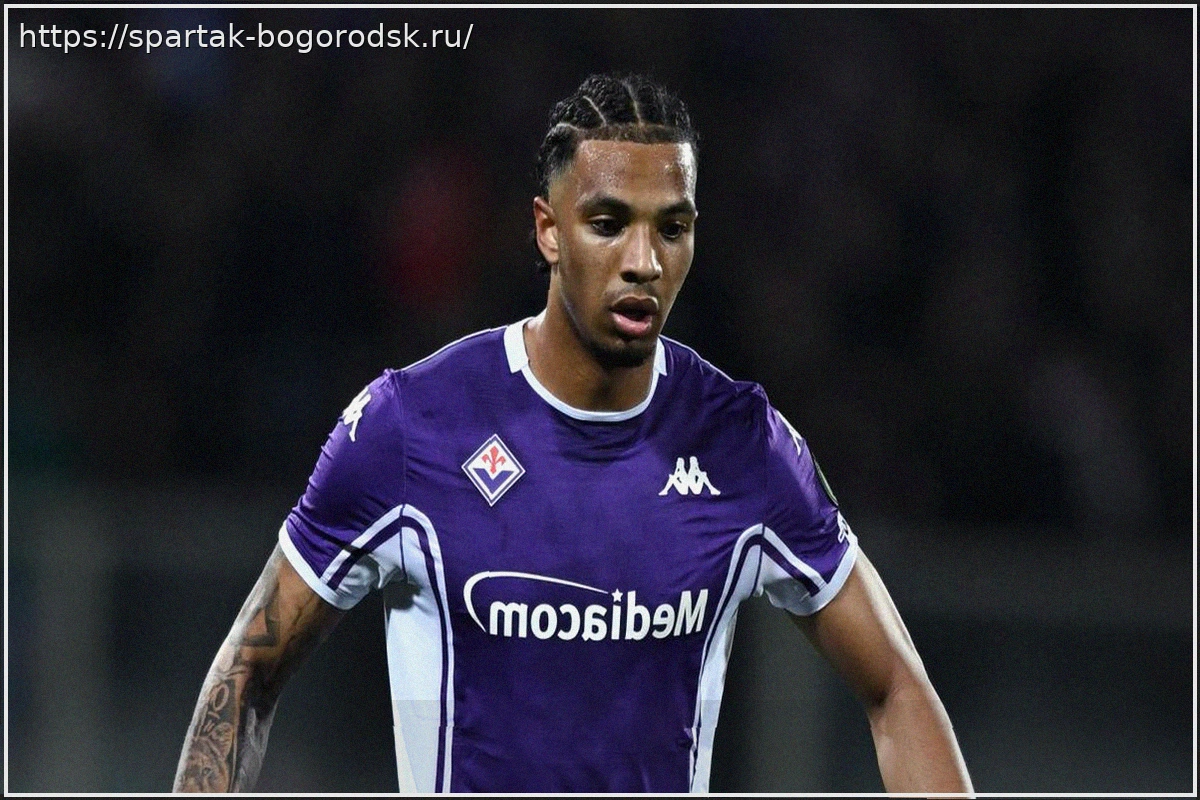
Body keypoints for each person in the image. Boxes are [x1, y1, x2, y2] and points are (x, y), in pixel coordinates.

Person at [174, 72, 973, 794]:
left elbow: (896, 687)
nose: (644, 260)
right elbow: (246, 674)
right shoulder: (412, 427)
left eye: (672, 228)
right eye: (609, 222)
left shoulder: (744, 447)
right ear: (548, 230)